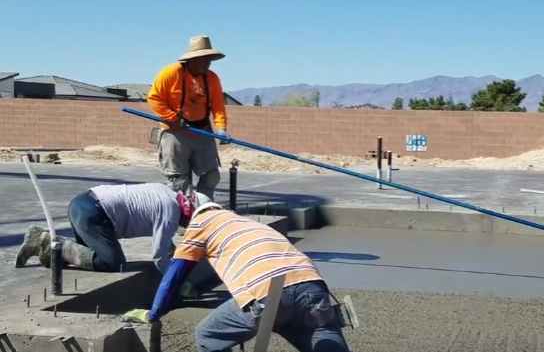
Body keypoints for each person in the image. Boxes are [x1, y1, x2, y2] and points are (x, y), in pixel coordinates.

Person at [122, 202, 351, 352]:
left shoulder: (202, 222)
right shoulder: (245, 223)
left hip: (265, 291)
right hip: (310, 285)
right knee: (319, 332)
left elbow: (174, 276)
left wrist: (154, 313)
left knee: (209, 334)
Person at [15, 182, 206, 297]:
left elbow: (165, 242)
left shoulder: (167, 194)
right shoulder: (170, 213)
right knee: (112, 262)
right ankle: (45, 241)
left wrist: (175, 255)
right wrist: (177, 283)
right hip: (93, 213)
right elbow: (158, 255)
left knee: (86, 255)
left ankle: (46, 248)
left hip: (82, 203)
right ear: (191, 212)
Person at [147, 35, 231, 200]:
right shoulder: (171, 73)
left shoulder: (212, 78)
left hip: (202, 131)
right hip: (174, 132)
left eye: (210, 59)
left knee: (211, 176)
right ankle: (185, 213)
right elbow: (154, 98)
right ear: (193, 59)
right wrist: (173, 118)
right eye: (204, 59)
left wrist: (221, 128)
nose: (208, 63)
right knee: (179, 179)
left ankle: (204, 208)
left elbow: (218, 105)